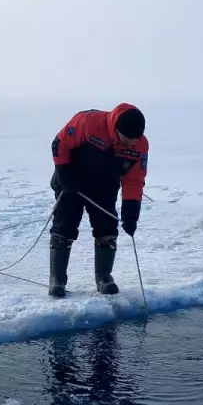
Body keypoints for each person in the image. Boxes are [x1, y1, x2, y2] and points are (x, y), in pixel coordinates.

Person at [48, 103, 148, 297]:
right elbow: (59, 144)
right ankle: (57, 279)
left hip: (104, 186)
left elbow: (134, 180)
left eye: (136, 139)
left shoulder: (140, 145)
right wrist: (65, 177)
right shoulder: (88, 123)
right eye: (127, 139)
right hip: (72, 180)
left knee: (108, 229)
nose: (131, 143)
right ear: (116, 130)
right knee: (64, 227)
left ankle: (104, 277)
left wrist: (131, 213)